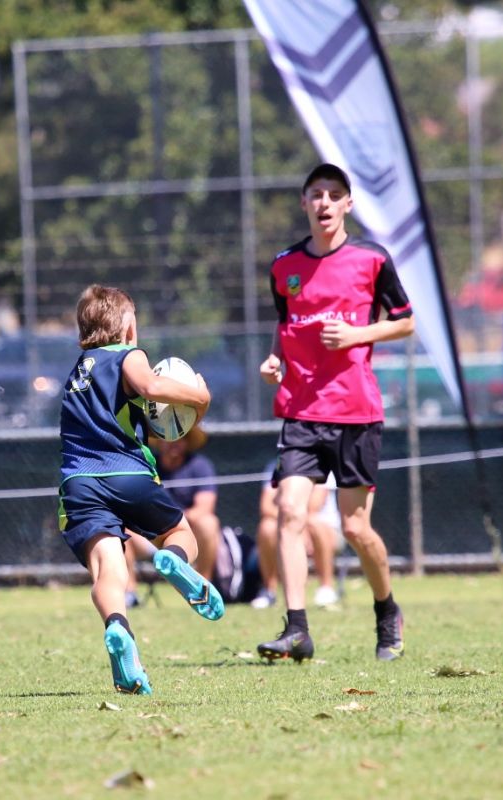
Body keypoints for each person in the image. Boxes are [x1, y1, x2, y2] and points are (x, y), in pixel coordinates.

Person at [256, 163, 414, 663]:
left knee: (354, 529)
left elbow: (405, 323)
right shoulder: (284, 266)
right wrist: (276, 359)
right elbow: (286, 325)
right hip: (301, 411)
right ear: (303, 203)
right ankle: (297, 629)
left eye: (334, 194)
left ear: (349, 204)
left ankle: (386, 609)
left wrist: (357, 335)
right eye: (315, 194)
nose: (324, 202)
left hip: (355, 411)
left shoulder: (372, 259)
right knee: (289, 511)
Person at [58, 284, 222, 696]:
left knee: (107, 569)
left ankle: (118, 626)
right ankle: (175, 560)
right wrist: (199, 397)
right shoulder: (130, 355)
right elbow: (150, 387)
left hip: (78, 483)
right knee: (181, 533)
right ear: (128, 325)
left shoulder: (78, 371)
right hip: (126, 475)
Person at [123, 426, 220, 607]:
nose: (173, 443)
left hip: (185, 535)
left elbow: (204, 508)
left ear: (187, 442)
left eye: (179, 438)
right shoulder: (147, 465)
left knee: (208, 523)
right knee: (118, 527)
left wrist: (170, 522)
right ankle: (129, 594)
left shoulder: (200, 466)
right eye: (167, 438)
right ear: (159, 441)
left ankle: (203, 589)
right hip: (149, 535)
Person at [251, 460, 339, 609]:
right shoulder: (275, 467)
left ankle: (326, 588)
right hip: (288, 524)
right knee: (266, 527)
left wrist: (298, 527)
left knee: (313, 523)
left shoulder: (323, 463)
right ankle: (269, 591)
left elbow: (313, 507)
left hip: (322, 530)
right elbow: (266, 507)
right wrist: (292, 524)